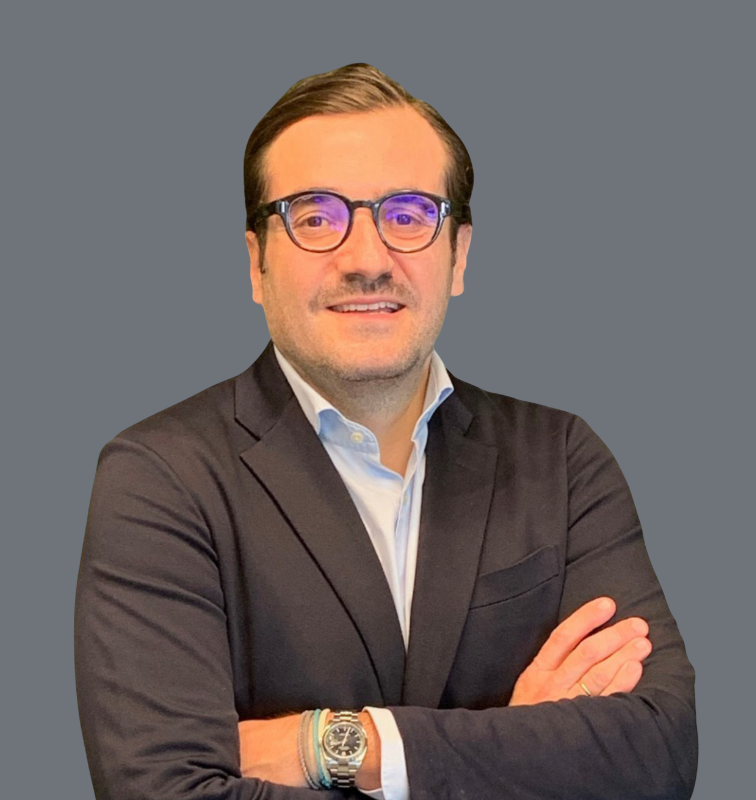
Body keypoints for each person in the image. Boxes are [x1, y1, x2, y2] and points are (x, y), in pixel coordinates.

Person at [75, 63, 697, 800]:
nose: (367, 259)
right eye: (315, 217)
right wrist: (519, 749)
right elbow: (162, 793)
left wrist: (335, 746)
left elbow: (657, 755)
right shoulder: (159, 478)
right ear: (256, 262)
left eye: (407, 215)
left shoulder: (561, 460)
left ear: (458, 255)